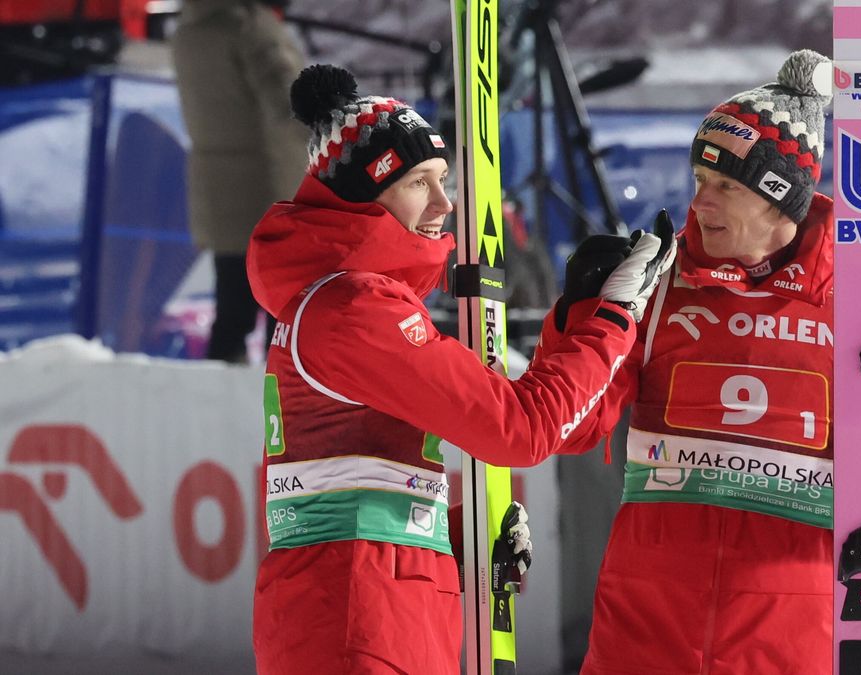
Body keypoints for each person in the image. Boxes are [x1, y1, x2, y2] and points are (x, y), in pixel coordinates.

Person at [534, 50, 861, 673]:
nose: (701, 204)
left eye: (726, 187)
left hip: (787, 637)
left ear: (779, 200)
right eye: (699, 183)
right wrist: (577, 318)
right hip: (645, 631)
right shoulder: (657, 283)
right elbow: (569, 431)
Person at [247, 64, 675, 675]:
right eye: (420, 182)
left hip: (368, 607)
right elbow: (519, 431)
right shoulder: (353, 309)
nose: (446, 205)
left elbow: (349, 487)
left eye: (444, 180)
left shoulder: (345, 301)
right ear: (366, 194)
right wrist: (611, 320)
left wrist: (452, 534)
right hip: (357, 619)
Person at [171, 0, 309, 362]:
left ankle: (217, 405)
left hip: (217, 186)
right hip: (267, 184)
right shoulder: (250, 28)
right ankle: (280, 403)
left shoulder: (188, 30)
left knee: (231, 312)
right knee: (284, 313)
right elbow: (289, 102)